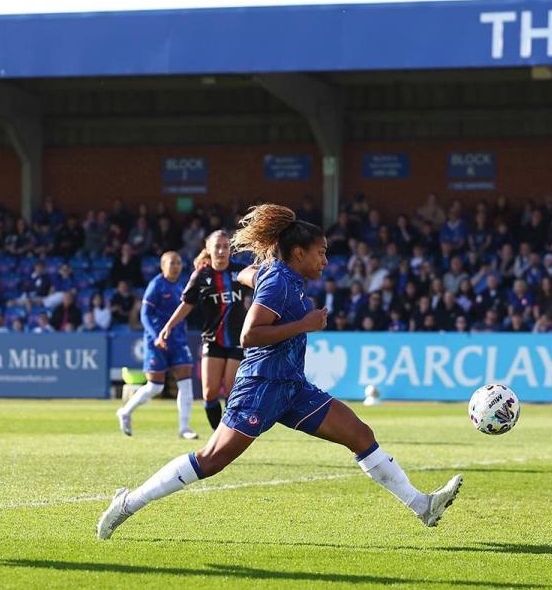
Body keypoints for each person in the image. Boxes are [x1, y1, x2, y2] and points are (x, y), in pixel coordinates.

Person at [97, 205, 462, 540]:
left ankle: (423, 506)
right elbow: (250, 334)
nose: (325, 259)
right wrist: (305, 323)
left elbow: (248, 273)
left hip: (292, 387)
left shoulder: (277, 275)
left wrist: (244, 274)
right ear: (299, 252)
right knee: (211, 460)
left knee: (360, 433)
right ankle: (128, 503)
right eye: (321, 252)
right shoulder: (279, 282)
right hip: (259, 386)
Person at [157, 230, 247, 431]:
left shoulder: (241, 272)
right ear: (208, 249)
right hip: (212, 339)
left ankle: (229, 435)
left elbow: (263, 287)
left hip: (237, 340)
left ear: (230, 249)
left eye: (225, 246)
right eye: (217, 246)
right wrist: (168, 327)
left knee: (232, 390)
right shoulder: (201, 275)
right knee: (209, 393)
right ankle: (218, 434)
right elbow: (187, 304)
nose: (222, 251)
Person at [115, 251, 198, 440]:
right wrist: (155, 337)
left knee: (185, 382)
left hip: (178, 340)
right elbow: (144, 314)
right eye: (172, 263)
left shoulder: (181, 286)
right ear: (162, 266)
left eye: (178, 263)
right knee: (155, 387)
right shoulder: (156, 285)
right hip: (157, 341)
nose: (176, 266)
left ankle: (184, 428)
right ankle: (125, 412)